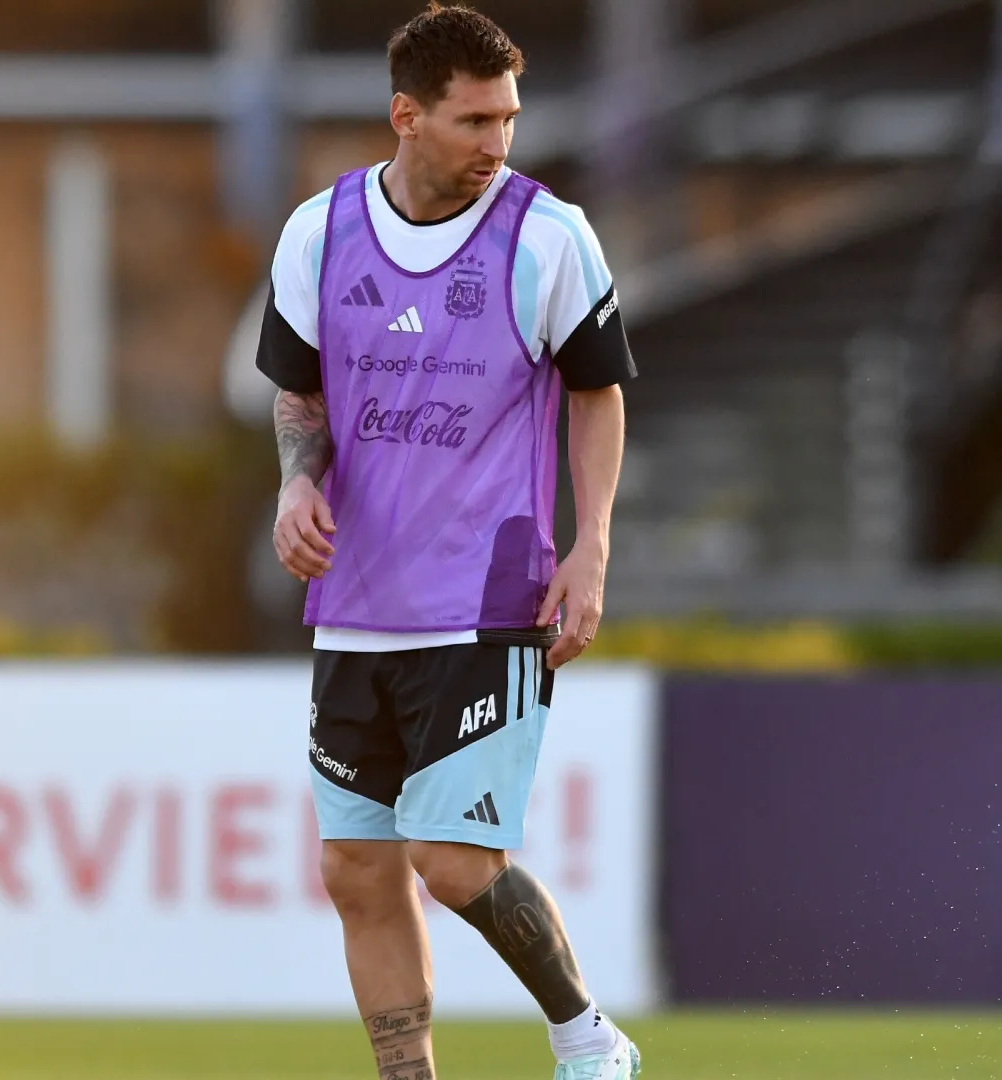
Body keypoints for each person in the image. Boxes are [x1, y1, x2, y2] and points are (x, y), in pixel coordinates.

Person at [253, 4, 637, 1078]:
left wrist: (592, 543)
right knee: (355, 872)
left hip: (486, 598)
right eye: (474, 121)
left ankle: (589, 1039)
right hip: (353, 607)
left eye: (509, 118)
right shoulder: (317, 234)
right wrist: (295, 490)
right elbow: (299, 400)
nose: (497, 144)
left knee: (451, 860)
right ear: (405, 117)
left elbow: (598, 394)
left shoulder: (547, 236)